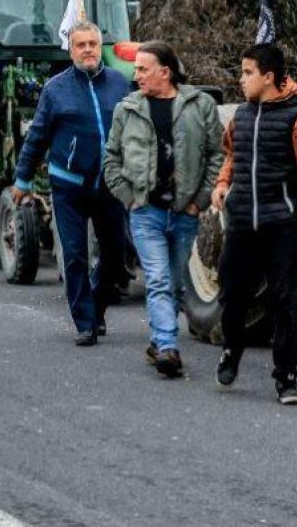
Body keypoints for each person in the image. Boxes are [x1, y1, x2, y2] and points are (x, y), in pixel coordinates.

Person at [211, 43, 297, 405]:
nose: (241, 79)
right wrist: (222, 184)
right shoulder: (242, 116)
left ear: (268, 77)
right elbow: (234, 154)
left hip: (282, 227)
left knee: (285, 302)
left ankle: (287, 379)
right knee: (232, 297)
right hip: (241, 226)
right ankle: (231, 350)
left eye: (248, 72)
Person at [104, 41, 223, 378]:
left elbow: (217, 154)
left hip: (185, 213)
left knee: (174, 284)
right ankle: (169, 347)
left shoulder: (200, 106)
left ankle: (159, 340)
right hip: (145, 212)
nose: (136, 74)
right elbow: (111, 158)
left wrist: (199, 201)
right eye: (136, 68)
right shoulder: (127, 110)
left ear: (165, 72)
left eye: (143, 68)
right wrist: (129, 197)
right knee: (157, 280)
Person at [13, 21, 130, 346]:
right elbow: (37, 136)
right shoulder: (55, 89)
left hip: (110, 184)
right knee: (75, 254)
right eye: (81, 45)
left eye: (93, 43)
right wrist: (22, 180)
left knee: (115, 255)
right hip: (69, 185)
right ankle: (85, 322)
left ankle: (97, 307)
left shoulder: (121, 84)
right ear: (71, 50)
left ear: (100, 45)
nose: (88, 49)